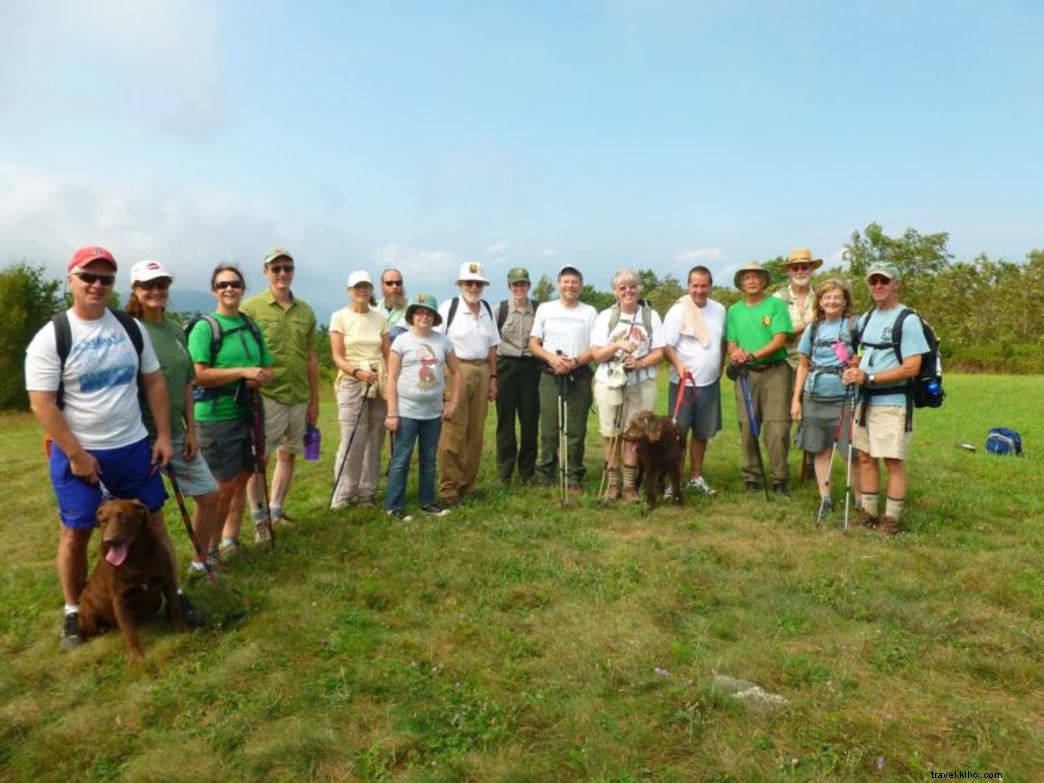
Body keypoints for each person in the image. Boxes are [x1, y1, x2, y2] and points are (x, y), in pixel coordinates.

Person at [25, 246, 198, 650]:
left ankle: (173, 595)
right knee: (77, 533)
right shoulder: (53, 336)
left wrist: (164, 436)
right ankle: (74, 612)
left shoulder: (129, 328)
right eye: (88, 276)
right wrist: (76, 454)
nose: (97, 285)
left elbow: (153, 381)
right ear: (71, 279)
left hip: (133, 448)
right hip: (79, 452)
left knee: (153, 523)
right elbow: (42, 403)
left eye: (106, 278)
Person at [125, 259, 223, 575]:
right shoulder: (128, 330)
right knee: (148, 512)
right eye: (148, 285)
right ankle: (153, 575)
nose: (156, 290)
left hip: (177, 433)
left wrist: (191, 431)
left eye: (162, 284)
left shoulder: (175, 329)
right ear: (134, 289)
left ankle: (200, 561)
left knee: (209, 494)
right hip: (140, 436)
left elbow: (187, 384)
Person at [188, 265, 274, 555]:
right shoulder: (205, 328)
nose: (229, 289)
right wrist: (241, 372)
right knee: (221, 486)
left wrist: (260, 377)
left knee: (242, 478)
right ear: (214, 290)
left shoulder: (251, 326)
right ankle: (206, 552)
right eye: (222, 285)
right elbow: (197, 374)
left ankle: (229, 540)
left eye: (234, 284)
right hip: (216, 416)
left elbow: (268, 368)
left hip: (249, 411)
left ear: (242, 289)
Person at [235, 247, 319, 538]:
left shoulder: (306, 311)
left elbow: (311, 358)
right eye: (276, 268)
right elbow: (240, 351)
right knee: (260, 459)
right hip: (266, 395)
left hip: (299, 395)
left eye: (287, 268)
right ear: (266, 272)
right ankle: (260, 520)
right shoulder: (251, 308)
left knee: (290, 454)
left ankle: (276, 511)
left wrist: (314, 401)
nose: (282, 273)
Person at [841, 262, 928, 535]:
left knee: (892, 459)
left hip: (892, 401)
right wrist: (852, 369)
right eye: (873, 281)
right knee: (866, 457)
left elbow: (912, 367)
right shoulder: (866, 318)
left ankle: (891, 519)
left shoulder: (908, 320)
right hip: (865, 400)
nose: (878, 286)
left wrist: (870, 378)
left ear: (896, 284)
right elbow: (860, 353)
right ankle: (868, 513)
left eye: (884, 281)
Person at [589, 268, 665, 501]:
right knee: (611, 433)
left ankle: (630, 487)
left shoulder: (651, 316)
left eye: (632, 286)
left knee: (634, 435)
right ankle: (613, 485)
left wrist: (639, 363)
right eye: (622, 288)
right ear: (615, 291)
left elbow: (659, 352)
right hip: (609, 382)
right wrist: (617, 346)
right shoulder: (605, 317)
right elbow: (596, 354)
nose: (628, 291)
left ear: (638, 289)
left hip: (642, 383)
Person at [384, 294, 462, 521]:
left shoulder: (443, 341)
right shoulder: (401, 341)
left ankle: (427, 501)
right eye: (419, 312)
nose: (424, 317)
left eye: (429, 313)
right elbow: (391, 377)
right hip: (406, 412)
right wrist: (392, 412)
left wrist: (453, 402)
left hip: (433, 413)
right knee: (401, 459)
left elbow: (457, 373)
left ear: (434, 318)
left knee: (428, 459)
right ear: (412, 316)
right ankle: (394, 506)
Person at [791, 279, 862, 518]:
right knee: (820, 450)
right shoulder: (813, 329)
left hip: (846, 398)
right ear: (820, 302)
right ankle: (825, 499)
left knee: (851, 453)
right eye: (827, 297)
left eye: (837, 297)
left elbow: (864, 354)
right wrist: (796, 399)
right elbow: (803, 365)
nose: (832, 302)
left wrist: (856, 365)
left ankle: (860, 500)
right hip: (815, 396)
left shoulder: (854, 326)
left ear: (845, 301)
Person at [725, 261, 794, 493]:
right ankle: (752, 477)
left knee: (777, 428)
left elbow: (779, 340)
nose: (752, 281)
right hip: (746, 374)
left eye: (756, 276)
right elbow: (732, 342)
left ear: (764, 281)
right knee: (747, 425)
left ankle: (779, 479)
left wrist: (753, 355)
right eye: (747, 277)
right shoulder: (734, 310)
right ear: (741, 282)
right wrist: (737, 354)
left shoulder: (776, 305)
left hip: (775, 372)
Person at [435, 262, 500, 506]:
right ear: (461, 284)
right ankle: (448, 488)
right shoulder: (449, 307)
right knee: (453, 430)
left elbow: (492, 347)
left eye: (478, 283)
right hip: (456, 370)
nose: (474, 287)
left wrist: (493, 378)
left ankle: (467, 485)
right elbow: (435, 342)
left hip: (482, 370)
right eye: (469, 283)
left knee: (476, 432)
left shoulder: (487, 309)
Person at [529, 265, 597, 495]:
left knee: (576, 430)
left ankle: (574, 474)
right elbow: (534, 343)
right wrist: (552, 359)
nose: (570, 286)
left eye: (574, 282)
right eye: (566, 282)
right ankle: (545, 473)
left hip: (579, 375)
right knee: (549, 428)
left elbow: (595, 348)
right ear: (559, 284)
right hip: (550, 375)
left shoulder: (589, 312)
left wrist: (575, 361)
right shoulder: (545, 309)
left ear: (581, 286)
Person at [662, 265, 726, 496]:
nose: (699, 290)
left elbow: (722, 341)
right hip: (683, 384)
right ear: (688, 286)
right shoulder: (677, 311)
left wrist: (720, 365)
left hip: (709, 383)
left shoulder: (719, 310)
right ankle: (674, 481)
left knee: (702, 432)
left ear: (710, 286)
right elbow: (666, 345)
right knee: (678, 435)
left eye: (704, 286)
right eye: (695, 286)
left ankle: (696, 476)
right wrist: (678, 365)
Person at [328, 270, 389, 509]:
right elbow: (337, 356)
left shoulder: (379, 318)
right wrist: (357, 373)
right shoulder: (339, 317)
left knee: (375, 439)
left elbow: (387, 352)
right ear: (349, 290)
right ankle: (343, 493)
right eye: (357, 287)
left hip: (378, 381)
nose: (362, 291)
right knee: (353, 438)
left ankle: (367, 492)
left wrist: (388, 379)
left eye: (366, 287)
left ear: (372, 290)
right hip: (352, 381)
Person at [492, 267, 540, 485]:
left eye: (523, 284)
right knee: (505, 421)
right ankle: (505, 470)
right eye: (515, 284)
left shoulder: (539, 310)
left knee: (530, 421)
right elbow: (492, 343)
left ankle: (527, 472)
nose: (519, 288)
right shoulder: (500, 310)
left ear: (529, 286)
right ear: (509, 287)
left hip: (531, 367)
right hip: (506, 367)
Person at [774, 248, 823, 369]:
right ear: (789, 271)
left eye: (804, 268)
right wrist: (809, 323)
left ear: (811, 270)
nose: (800, 272)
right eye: (795, 268)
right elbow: (776, 336)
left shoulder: (822, 298)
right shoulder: (777, 299)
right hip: (784, 364)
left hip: (816, 363)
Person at [377, 268, 409, 339]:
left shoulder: (411, 308)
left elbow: (399, 334)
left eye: (398, 283)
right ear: (382, 286)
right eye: (389, 283)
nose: (394, 286)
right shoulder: (373, 307)